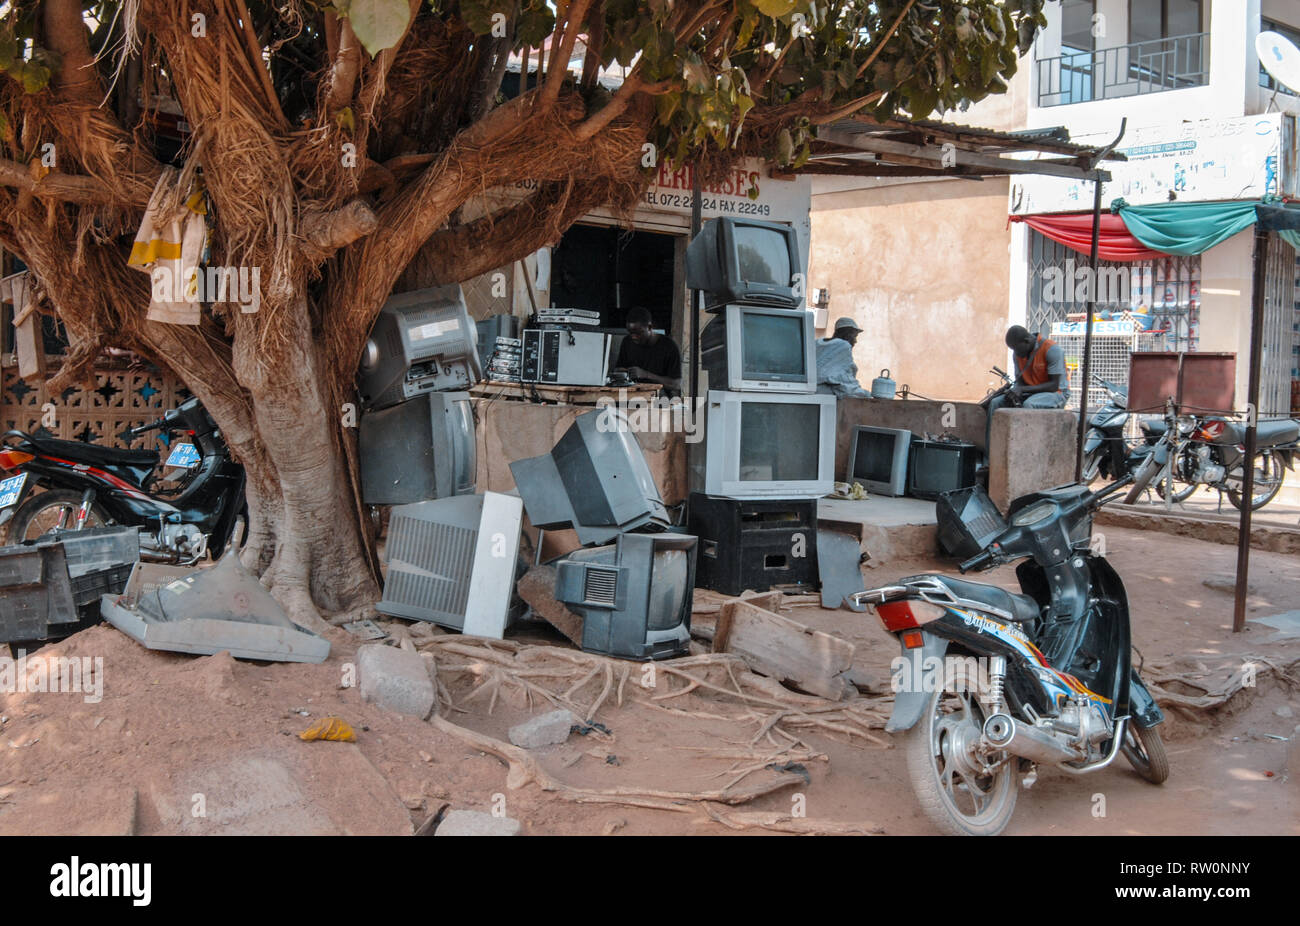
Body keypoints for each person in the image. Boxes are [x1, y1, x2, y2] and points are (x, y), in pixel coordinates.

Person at [985, 325, 1069, 450]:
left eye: (1017, 349)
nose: (1016, 353)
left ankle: (1024, 452)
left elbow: (1053, 385)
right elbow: (1020, 381)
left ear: (1027, 341)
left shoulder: (1052, 349)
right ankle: (990, 458)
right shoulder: (1017, 354)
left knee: (1029, 405)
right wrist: (1014, 392)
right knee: (996, 404)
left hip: (1056, 393)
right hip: (1030, 392)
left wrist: (1023, 390)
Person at [614, 307, 681, 395]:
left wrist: (646, 374)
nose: (634, 337)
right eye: (630, 332)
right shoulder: (627, 342)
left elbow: (676, 384)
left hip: (658, 397)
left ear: (650, 327)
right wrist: (622, 373)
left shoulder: (669, 346)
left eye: (638, 333)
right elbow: (618, 369)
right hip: (632, 394)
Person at [815, 316, 871, 399]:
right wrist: (866, 394)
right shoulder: (843, 345)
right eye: (855, 336)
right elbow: (845, 382)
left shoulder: (817, 342)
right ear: (848, 334)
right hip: (823, 393)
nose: (855, 341)